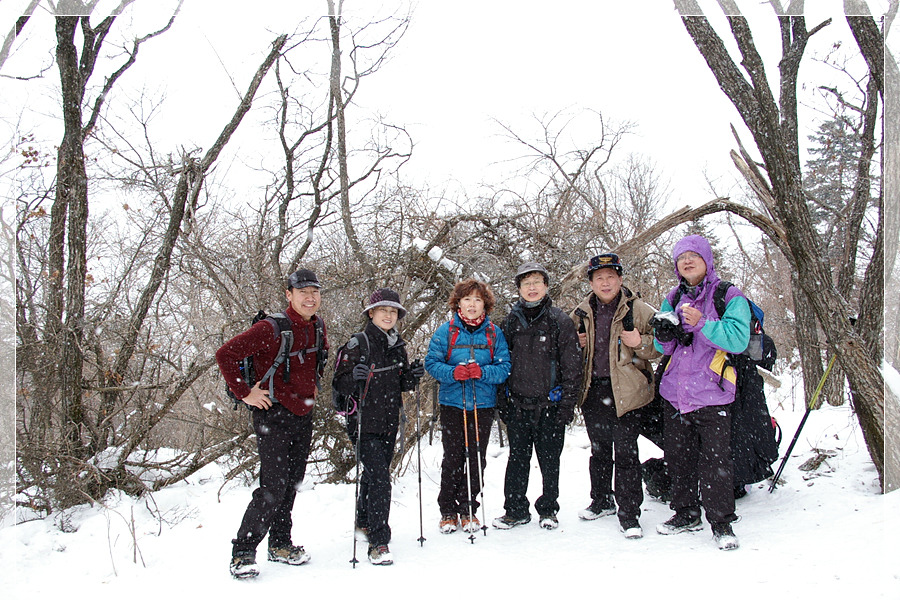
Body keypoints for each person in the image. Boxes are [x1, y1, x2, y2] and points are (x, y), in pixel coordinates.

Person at [216, 269, 328, 579]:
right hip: (272, 414)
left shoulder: (317, 326)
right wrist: (244, 393)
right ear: (289, 294)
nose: (310, 297)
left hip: (303, 415)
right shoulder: (271, 328)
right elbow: (225, 354)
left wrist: (312, 387)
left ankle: (280, 544)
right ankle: (243, 552)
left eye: (315, 292)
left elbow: (316, 361)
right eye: (302, 291)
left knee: (291, 482)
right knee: (273, 486)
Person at [652, 235, 750, 551]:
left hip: (713, 393)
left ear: (706, 260)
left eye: (694, 256)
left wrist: (703, 323)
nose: (688, 261)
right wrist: (664, 334)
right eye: (682, 258)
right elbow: (661, 347)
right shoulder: (673, 296)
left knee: (716, 462)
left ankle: (721, 524)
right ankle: (686, 513)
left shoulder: (729, 295)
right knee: (678, 459)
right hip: (675, 393)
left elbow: (738, 340)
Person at [570, 253, 661, 539]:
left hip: (629, 392)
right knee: (599, 451)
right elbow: (566, 353)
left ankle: (630, 514)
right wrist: (576, 343)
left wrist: (641, 343)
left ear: (620, 279)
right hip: (593, 392)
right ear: (591, 282)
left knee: (626, 452)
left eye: (611, 277)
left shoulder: (639, 309)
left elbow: (661, 346)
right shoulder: (581, 313)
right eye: (599, 278)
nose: (606, 283)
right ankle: (601, 500)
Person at [332, 288, 424, 566]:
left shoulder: (398, 345)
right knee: (381, 479)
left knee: (374, 475)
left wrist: (413, 376)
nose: (388, 315)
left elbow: (402, 384)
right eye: (383, 310)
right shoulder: (357, 344)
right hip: (361, 423)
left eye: (393, 311)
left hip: (388, 422)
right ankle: (379, 540)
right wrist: (353, 378)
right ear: (371, 313)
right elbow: (338, 386)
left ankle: (364, 520)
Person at [492, 262, 581, 530]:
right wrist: (502, 401)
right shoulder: (509, 322)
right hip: (518, 405)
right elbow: (501, 363)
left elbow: (572, 367)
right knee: (518, 459)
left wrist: (567, 404)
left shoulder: (560, 321)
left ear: (545, 286)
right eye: (526, 283)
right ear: (519, 288)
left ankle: (548, 509)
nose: (532, 288)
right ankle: (515, 509)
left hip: (550, 406)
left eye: (537, 282)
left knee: (549, 460)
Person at [425, 278, 511, 535]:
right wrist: (453, 373)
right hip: (452, 404)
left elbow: (504, 368)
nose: (472, 305)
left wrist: (481, 372)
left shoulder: (494, 333)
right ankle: (448, 510)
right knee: (452, 457)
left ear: (485, 303)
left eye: (477, 299)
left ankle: (469, 507)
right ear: (458, 303)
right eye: (467, 299)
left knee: (476, 458)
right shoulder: (446, 332)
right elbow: (432, 363)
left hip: (482, 405)